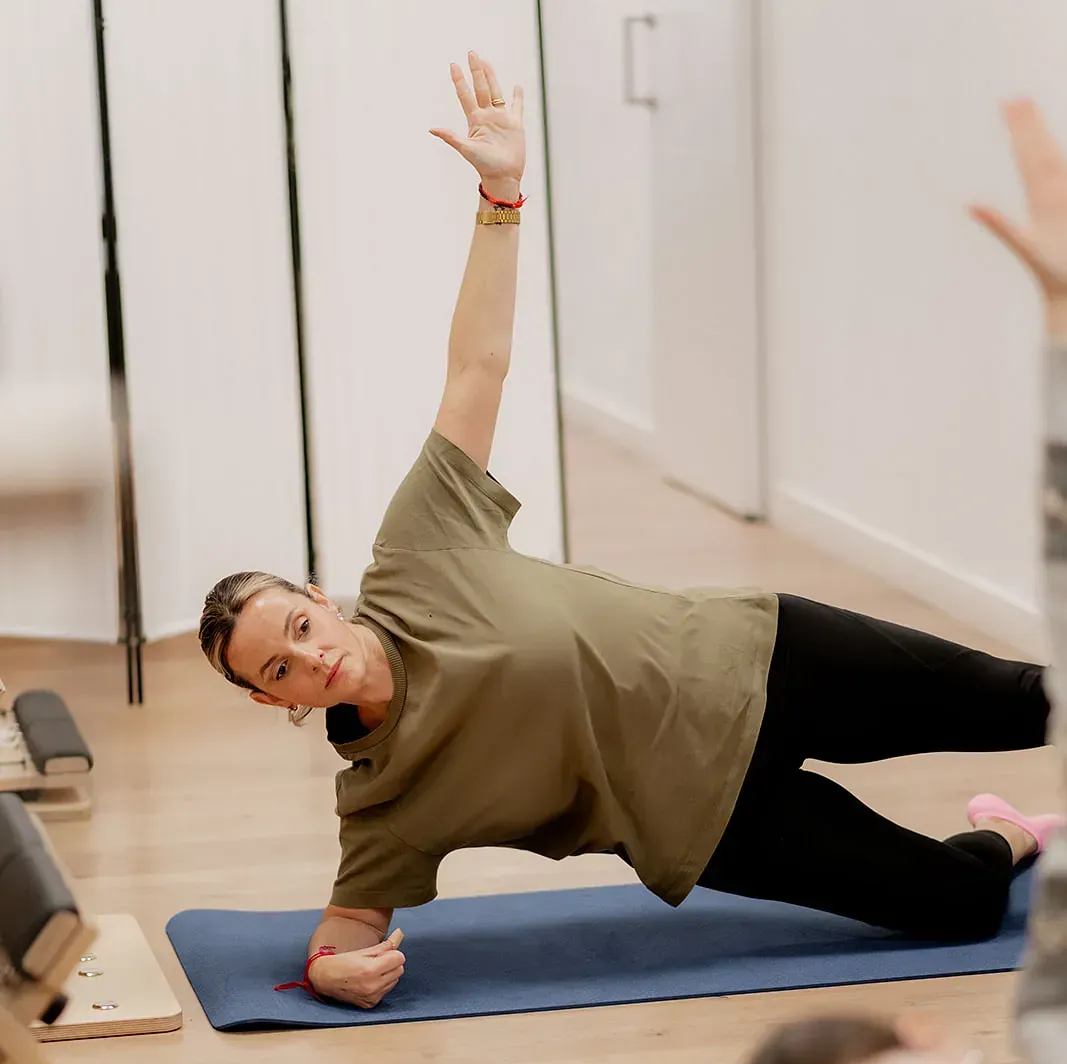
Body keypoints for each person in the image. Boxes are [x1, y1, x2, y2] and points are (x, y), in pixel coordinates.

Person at [198, 55, 1055, 1013]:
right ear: (274, 704)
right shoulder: (385, 801)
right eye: (276, 670)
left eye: (298, 629)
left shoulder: (416, 550)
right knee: (956, 906)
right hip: (715, 823)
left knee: (1033, 706)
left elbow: (477, 365)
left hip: (761, 659)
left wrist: (501, 197)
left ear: (320, 599)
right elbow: (348, 920)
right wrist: (328, 969)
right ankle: (1013, 833)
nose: (306, 661)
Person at [734, 99, 1067, 1064]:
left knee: (1000, 711)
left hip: (757, 649)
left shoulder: (1056, 1010)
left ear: (933, 1045)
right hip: (707, 821)